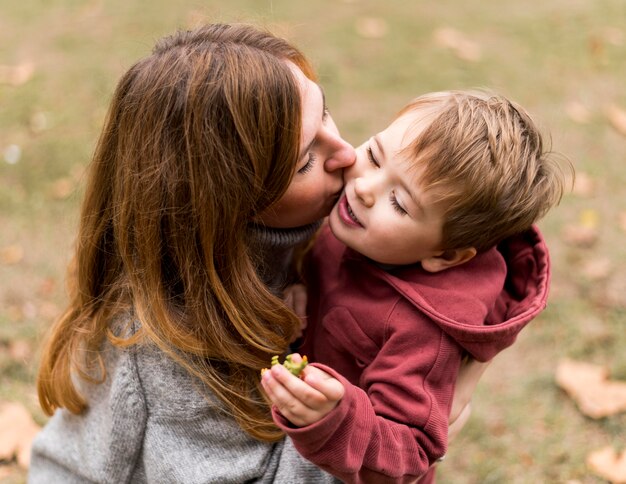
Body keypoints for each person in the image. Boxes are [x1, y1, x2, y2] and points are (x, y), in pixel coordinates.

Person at [28, 25, 480, 483]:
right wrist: (408, 416)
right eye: (304, 161)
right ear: (225, 201)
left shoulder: (334, 234)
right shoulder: (168, 348)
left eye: (327, 114)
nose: (346, 155)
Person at [261, 90, 569, 483]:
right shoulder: (359, 226)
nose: (366, 188)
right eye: (374, 156)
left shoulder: (421, 332)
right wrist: (302, 285)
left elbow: (410, 450)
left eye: (400, 203)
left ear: (445, 256)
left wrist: (335, 420)